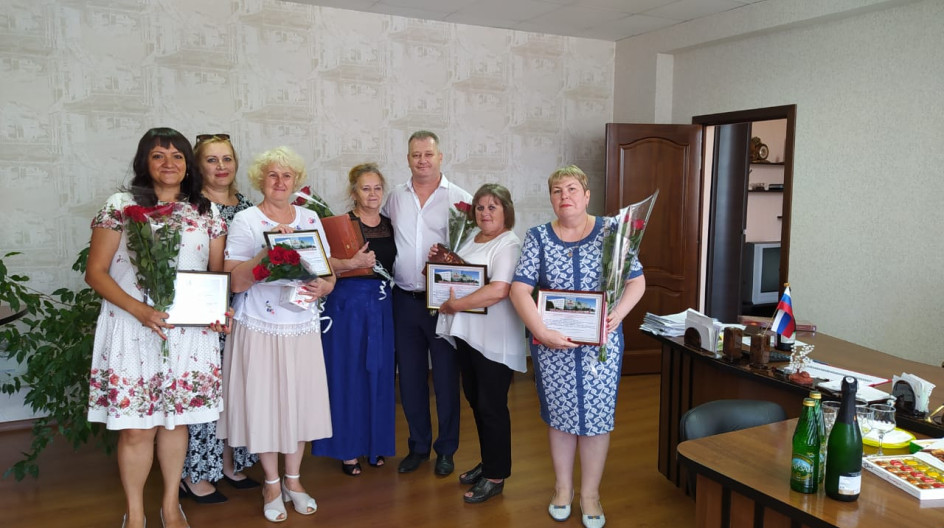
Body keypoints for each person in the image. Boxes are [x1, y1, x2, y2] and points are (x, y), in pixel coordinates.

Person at [85, 127, 229, 528]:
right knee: (136, 430)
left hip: (187, 335)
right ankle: (134, 513)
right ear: (144, 163)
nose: (169, 163)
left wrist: (219, 311)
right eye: (158, 155)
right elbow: (95, 273)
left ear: (188, 165)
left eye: (177, 156)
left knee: (175, 422)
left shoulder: (206, 212)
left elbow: (214, 277)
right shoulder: (121, 205)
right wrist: (141, 311)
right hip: (132, 328)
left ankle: (170, 505)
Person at [509, 165, 646, 528]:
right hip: (552, 346)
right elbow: (519, 290)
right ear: (551, 198)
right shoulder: (538, 237)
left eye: (571, 189)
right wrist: (542, 332)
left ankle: (590, 494)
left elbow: (637, 281)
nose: (564, 196)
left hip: (601, 346)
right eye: (557, 191)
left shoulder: (612, 232)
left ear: (586, 195)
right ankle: (562, 488)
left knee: (597, 421)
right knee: (560, 418)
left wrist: (617, 315)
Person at [217, 146, 335, 523]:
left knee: (299, 402)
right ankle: (271, 483)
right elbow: (234, 280)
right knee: (265, 404)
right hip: (259, 325)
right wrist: (268, 251)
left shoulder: (310, 218)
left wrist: (326, 286)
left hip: (301, 325)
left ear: (296, 181)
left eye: (287, 176)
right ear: (260, 180)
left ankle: (293, 481)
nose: (280, 182)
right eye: (272, 175)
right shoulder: (247, 220)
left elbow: (327, 273)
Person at [382, 130, 471, 476]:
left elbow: (472, 253)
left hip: (443, 305)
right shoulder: (395, 197)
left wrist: (449, 256)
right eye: (416, 155)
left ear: (440, 157)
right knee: (411, 379)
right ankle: (418, 446)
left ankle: (446, 449)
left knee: (446, 379)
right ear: (408, 159)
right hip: (404, 301)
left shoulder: (460, 200)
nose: (422, 161)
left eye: (428, 154)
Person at [431, 183, 525, 503]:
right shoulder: (472, 236)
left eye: (492, 207)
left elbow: (499, 290)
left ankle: (496, 476)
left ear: (506, 211)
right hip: (469, 335)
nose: (485, 213)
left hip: (494, 338)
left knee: (491, 406)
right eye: (480, 207)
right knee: (476, 400)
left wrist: (456, 304)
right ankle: (489, 462)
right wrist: (439, 261)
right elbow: (456, 274)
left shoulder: (508, 243)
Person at [179, 134, 259, 503]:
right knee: (203, 393)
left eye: (227, 158)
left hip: (243, 311)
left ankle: (228, 462)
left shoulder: (247, 207)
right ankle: (194, 474)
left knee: (234, 391)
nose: (221, 166)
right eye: (212, 160)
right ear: (198, 166)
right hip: (203, 316)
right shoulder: (190, 208)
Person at [311, 163, 397, 475]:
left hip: (382, 307)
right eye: (365, 188)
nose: (372, 194)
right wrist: (351, 262)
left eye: (377, 188)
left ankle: (375, 444)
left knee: (380, 374)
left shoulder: (391, 224)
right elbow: (321, 261)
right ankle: (347, 449)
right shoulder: (340, 225)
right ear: (354, 192)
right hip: (346, 307)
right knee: (348, 375)